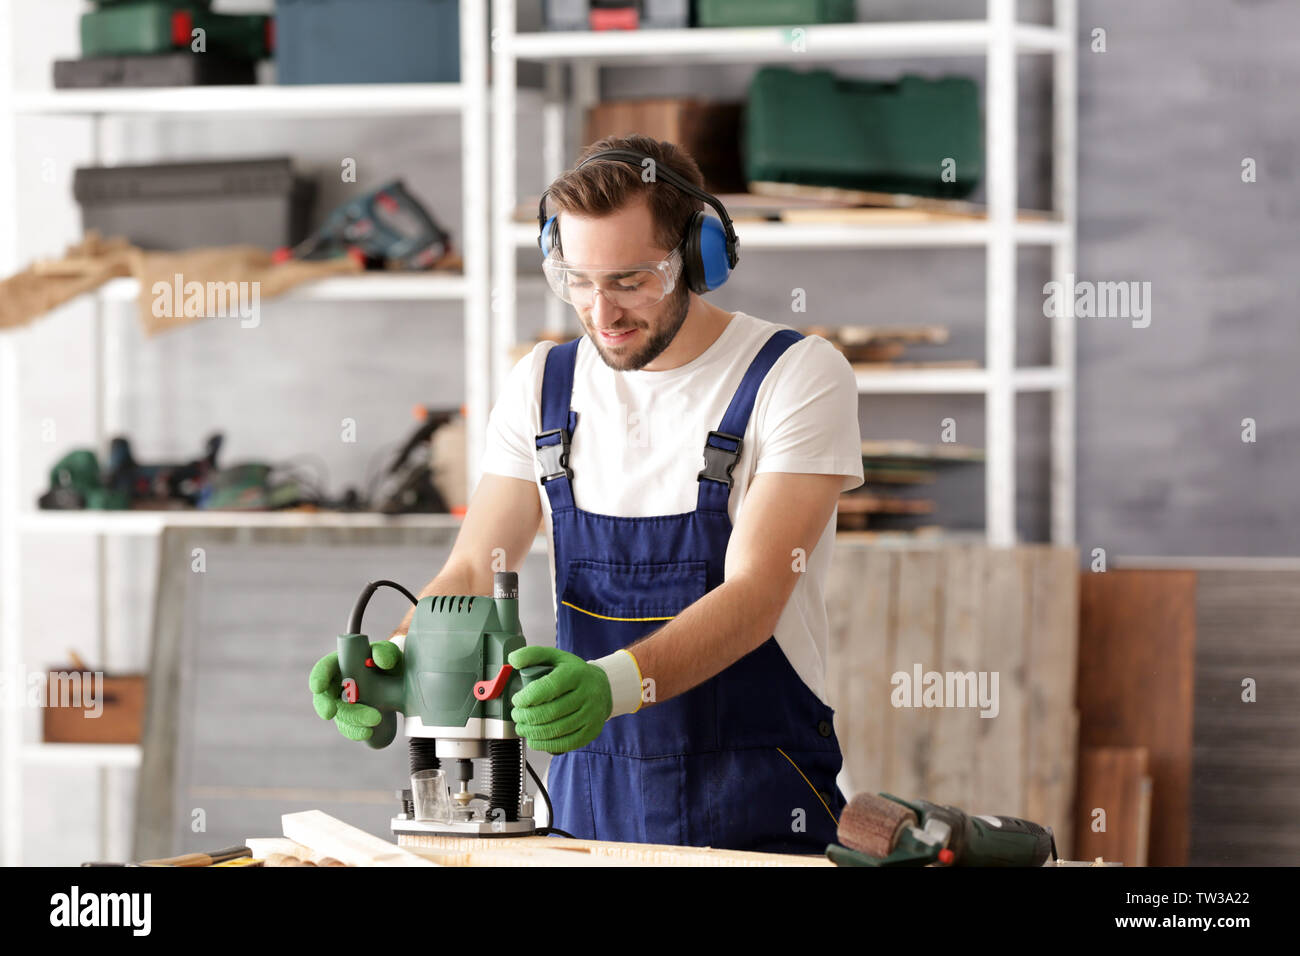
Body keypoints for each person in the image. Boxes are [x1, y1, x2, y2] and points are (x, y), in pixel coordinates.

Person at [312, 134, 865, 853]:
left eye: (631, 281)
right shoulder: (543, 385)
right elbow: (477, 571)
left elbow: (758, 594)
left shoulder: (796, 376)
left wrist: (612, 687)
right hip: (586, 816)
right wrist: (398, 661)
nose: (602, 312)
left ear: (699, 256)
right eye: (575, 280)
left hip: (756, 805)